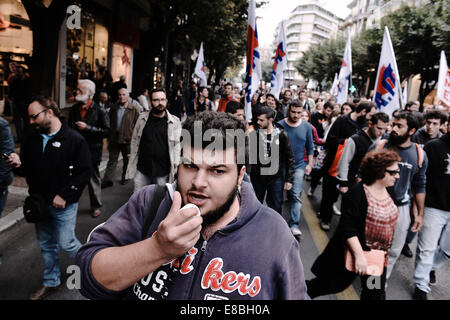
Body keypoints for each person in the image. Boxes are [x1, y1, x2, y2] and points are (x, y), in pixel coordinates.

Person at [75, 111, 310, 300]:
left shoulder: (274, 234)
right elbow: (85, 277)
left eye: (217, 171)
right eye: (189, 166)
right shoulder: (150, 203)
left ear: (240, 176)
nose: (198, 182)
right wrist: (157, 249)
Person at [7, 96, 91, 300]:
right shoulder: (32, 139)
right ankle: (51, 281)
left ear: (50, 113)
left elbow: (84, 172)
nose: (31, 121)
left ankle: (91, 272)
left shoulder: (74, 139)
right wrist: (18, 164)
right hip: (39, 203)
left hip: (64, 205)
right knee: (47, 244)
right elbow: (28, 169)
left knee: (67, 242)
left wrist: (65, 195)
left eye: (34, 116)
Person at [307, 149, 401, 300]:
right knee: (328, 285)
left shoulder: (390, 189)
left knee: (374, 295)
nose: (397, 175)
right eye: (393, 172)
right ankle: (292, 293)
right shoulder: (357, 193)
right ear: (379, 171)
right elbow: (348, 228)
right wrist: (359, 256)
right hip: (351, 253)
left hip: (375, 259)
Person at [368, 111, 428, 281]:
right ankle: (367, 277)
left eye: (399, 126)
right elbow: (361, 174)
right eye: (393, 124)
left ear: (412, 131)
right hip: (373, 204)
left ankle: (378, 284)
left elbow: (419, 185)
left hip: (400, 208)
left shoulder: (419, 154)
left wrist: (419, 214)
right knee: (371, 247)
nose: (393, 128)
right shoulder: (379, 146)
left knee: (393, 250)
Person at [318, 101, 377, 231]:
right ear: (363, 112)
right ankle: (325, 219)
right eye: (370, 115)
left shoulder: (366, 125)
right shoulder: (341, 121)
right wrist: (350, 142)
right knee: (329, 194)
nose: (371, 119)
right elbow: (330, 141)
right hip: (334, 164)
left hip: (353, 170)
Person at [401, 110, 448, 258]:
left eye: (435, 124)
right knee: (407, 216)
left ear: (441, 125)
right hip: (409, 182)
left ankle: (406, 242)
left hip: (426, 187)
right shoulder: (415, 136)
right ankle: (400, 241)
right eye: (428, 123)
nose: (430, 127)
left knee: (417, 218)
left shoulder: (442, 143)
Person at [413, 119, 450, 300]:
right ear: (448, 126)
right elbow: (420, 176)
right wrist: (418, 206)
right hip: (433, 206)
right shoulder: (434, 146)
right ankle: (421, 283)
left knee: (447, 250)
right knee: (426, 248)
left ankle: (431, 267)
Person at [125, 88, 182, 193]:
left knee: (159, 202)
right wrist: (132, 155)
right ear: (150, 102)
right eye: (156, 100)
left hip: (162, 171)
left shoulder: (175, 122)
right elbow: (134, 139)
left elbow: (177, 145)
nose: (160, 103)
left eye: (162, 99)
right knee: (138, 200)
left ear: (166, 101)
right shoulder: (142, 119)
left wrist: (176, 165)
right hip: (142, 169)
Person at [68, 79, 110, 218]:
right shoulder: (74, 109)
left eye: (80, 90)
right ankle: (69, 204)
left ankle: (96, 205)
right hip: (75, 150)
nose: (77, 92)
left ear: (90, 93)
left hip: (92, 151)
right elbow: (69, 129)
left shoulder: (99, 110)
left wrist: (88, 128)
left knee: (93, 179)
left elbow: (106, 131)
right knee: (73, 177)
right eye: (77, 89)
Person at [250, 106, 295, 215]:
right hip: (258, 178)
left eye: (261, 120)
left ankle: (275, 229)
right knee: (255, 206)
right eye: (257, 119)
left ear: (270, 120)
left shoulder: (282, 135)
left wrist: (289, 179)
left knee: (276, 207)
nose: (258, 122)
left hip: (275, 179)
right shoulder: (255, 134)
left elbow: (290, 158)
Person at [279, 102, 314, 237]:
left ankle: (294, 224)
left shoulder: (307, 127)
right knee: (277, 195)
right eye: (293, 112)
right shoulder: (280, 124)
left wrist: (310, 164)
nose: (296, 115)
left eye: (299, 113)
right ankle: (278, 223)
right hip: (281, 165)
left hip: (299, 165)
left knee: (295, 195)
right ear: (289, 110)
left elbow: (310, 147)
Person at [337, 112, 389, 193]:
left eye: (385, 129)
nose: (382, 132)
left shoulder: (385, 139)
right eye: (379, 128)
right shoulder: (355, 139)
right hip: (354, 182)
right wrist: (343, 183)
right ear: (370, 124)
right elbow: (344, 161)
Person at [102, 88, 141, 188]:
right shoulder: (114, 108)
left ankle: (125, 177)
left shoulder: (134, 109)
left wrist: (135, 139)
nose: (121, 97)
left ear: (128, 96)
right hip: (115, 138)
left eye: (124, 94)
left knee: (127, 160)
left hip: (127, 139)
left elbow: (138, 125)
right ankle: (108, 180)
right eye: (119, 95)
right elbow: (109, 122)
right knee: (112, 160)